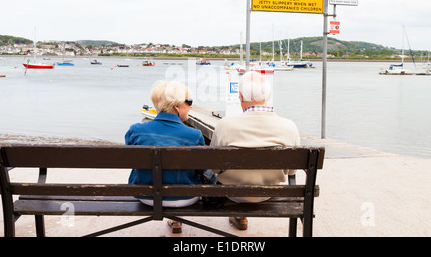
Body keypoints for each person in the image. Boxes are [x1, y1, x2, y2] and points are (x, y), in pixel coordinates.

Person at [210, 71, 300, 230]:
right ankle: (240, 217)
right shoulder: (289, 127)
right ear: (269, 94)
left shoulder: (224, 126)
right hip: (269, 193)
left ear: (240, 96)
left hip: (232, 194)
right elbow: (291, 171)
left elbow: (214, 168)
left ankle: (239, 215)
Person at [126, 80, 205, 233]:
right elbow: (202, 170)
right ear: (177, 106)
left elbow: (129, 159)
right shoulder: (194, 135)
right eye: (188, 102)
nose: (191, 106)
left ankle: (175, 221)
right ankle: (176, 219)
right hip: (185, 198)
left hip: (145, 196)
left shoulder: (135, 131)